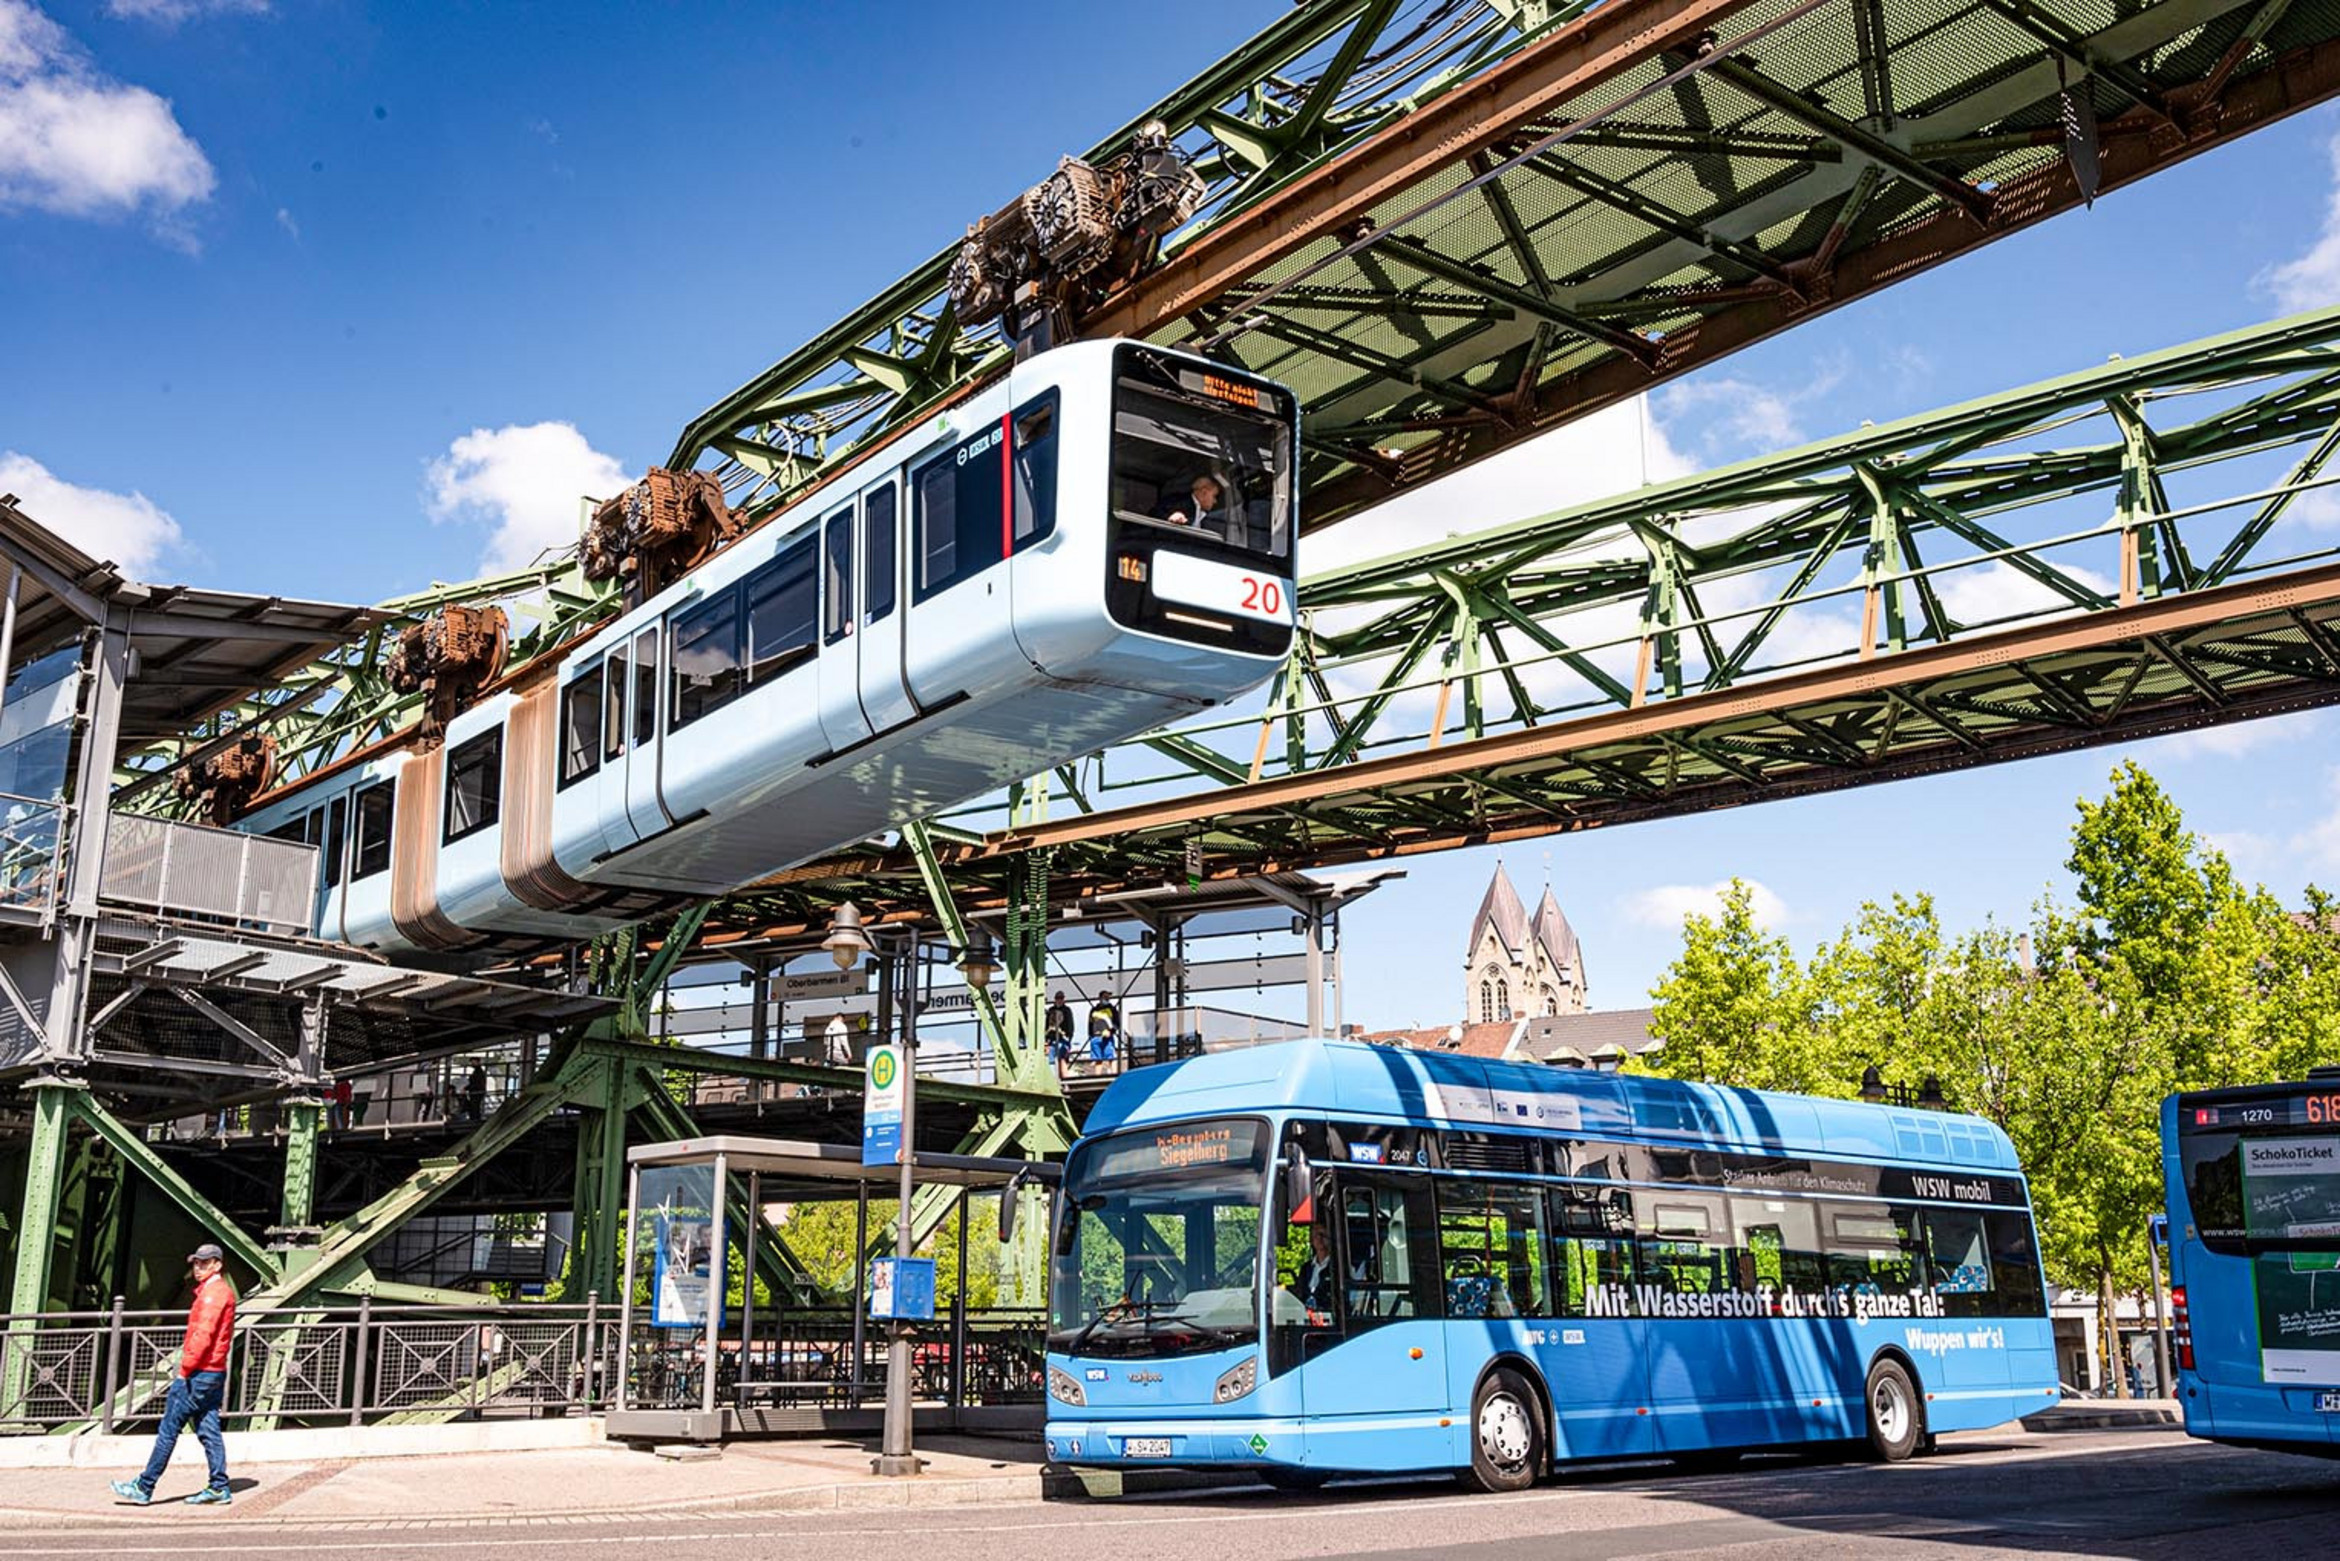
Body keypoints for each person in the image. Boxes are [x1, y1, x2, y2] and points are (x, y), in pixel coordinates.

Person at [112, 1243, 236, 1506]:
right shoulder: (218, 1292)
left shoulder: (213, 1295)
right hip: (214, 1372)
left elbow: (203, 1335)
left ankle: (144, 1487)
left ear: (217, 1265)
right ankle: (219, 1486)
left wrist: (185, 1370)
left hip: (199, 1373)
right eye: (196, 1263)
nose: (198, 1267)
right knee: (209, 1429)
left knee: (168, 1430)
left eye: (204, 1262)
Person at [1155, 471, 1230, 530]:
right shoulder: (1177, 501)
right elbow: (1156, 514)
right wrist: (1171, 518)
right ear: (1204, 492)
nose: (1215, 501)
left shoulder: (1210, 516)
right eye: (1214, 496)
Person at [1044, 992, 1075, 1073]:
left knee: (1062, 1059)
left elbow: (1070, 1024)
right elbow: (1047, 1024)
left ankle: (1064, 1079)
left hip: (1063, 1038)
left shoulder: (1067, 1010)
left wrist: (1069, 1036)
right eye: (1058, 998)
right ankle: (1054, 1078)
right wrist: (1046, 1037)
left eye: (1061, 998)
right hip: (1052, 1039)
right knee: (1051, 1060)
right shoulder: (1051, 1010)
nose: (1059, 1000)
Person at [1086, 995, 1119, 1068]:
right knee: (1097, 1059)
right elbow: (1090, 1023)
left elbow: (1117, 1022)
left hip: (1108, 1036)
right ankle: (1097, 1076)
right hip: (1096, 1036)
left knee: (1111, 1056)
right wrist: (1091, 1034)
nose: (1107, 999)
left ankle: (1113, 1075)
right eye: (1105, 997)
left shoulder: (1112, 1009)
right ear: (1100, 998)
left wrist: (1111, 1031)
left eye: (1108, 997)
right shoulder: (1094, 1010)